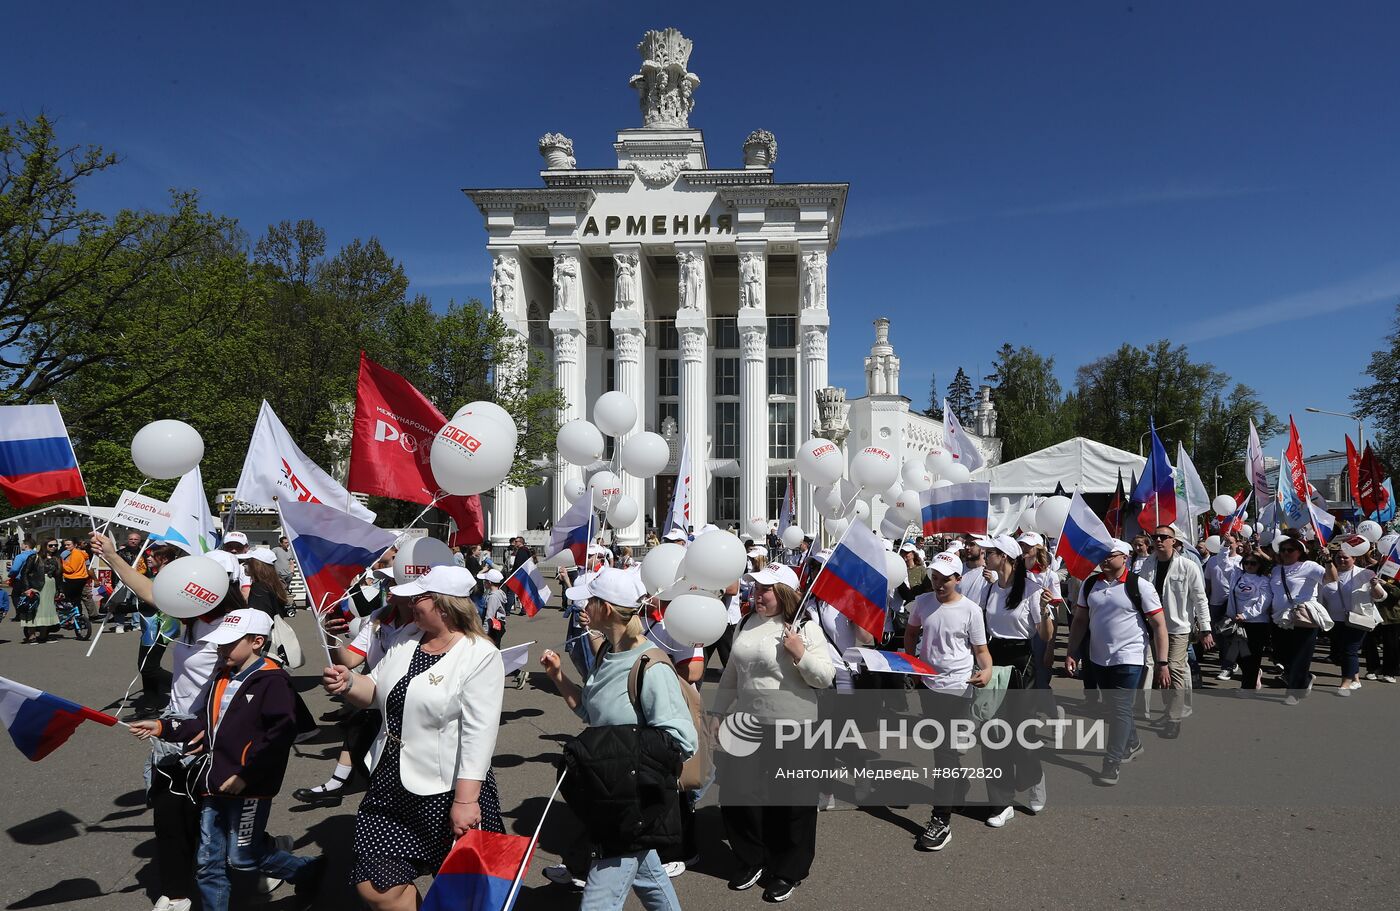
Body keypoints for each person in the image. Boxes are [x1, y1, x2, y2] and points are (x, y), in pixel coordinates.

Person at [322, 565, 506, 911]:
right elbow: (376, 690)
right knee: (377, 885)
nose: (405, 601)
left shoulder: (480, 654)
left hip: (447, 789)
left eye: (417, 597)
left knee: (466, 895)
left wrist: (466, 802)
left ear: (443, 605)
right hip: (389, 781)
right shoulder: (406, 636)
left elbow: (479, 733)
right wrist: (348, 683)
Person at [93, 530, 250, 911]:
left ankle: (263, 859)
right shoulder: (189, 617)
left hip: (211, 734)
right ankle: (176, 892)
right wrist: (112, 555)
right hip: (174, 730)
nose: (185, 588)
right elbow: (149, 591)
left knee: (216, 823)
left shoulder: (238, 629)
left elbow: (248, 690)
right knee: (168, 814)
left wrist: (215, 733)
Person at [129, 610, 324, 911]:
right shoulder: (221, 675)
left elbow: (280, 735)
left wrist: (247, 774)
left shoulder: (273, 681)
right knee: (208, 862)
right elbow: (206, 723)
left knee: (243, 856)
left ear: (257, 642)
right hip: (212, 781)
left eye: (228, 644)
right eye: (219, 644)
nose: (221, 650)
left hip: (249, 787)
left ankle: (305, 871)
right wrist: (164, 727)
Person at [539, 568, 696, 911]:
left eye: (588, 602)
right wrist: (558, 677)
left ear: (605, 609)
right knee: (650, 877)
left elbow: (682, 739)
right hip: (609, 795)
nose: (582, 609)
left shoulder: (650, 665)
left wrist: (615, 753)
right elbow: (591, 713)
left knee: (597, 902)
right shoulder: (605, 653)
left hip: (629, 801)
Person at [713, 564, 832, 901]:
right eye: (755, 588)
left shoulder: (805, 628)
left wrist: (800, 653)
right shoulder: (745, 624)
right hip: (748, 722)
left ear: (783, 594)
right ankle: (752, 859)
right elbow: (732, 674)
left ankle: (788, 870)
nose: (756, 594)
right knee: (738, 794)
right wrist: (717, 713)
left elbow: (824, 677)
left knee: (793, 802)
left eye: (765, 590)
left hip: (795, 725)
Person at [904, 551, 992, 851]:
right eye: (935, 578)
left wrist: (987, 670)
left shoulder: (970, 610)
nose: (939, 584)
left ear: (958, 579)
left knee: (942, 752)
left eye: (945, 579)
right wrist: (912, 665)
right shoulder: (924, 603)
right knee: (941, 747)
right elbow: (911, 632)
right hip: (928, 684)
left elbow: (980, 651)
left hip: (959, 686)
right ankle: (959, 784)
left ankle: (941, 820)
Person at [1066, 539, 1170, 786]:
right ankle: (1132, 742)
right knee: (1114, 706)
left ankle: (1111, 763)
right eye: (1101, 554)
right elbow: (1080, 620)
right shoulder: (1091, 584)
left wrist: (1162, 662)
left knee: (1120, 708)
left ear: (1125, 557)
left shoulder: (1139, 586)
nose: (1104, 559)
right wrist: (1072, 651)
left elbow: (1159, 626)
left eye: (1110, 554)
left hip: (1130, 656)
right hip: (1099, 657)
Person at [979, 533, 1051, 818]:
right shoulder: (989, 589)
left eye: (991, 552)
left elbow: (1044, 635)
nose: (986, 556)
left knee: (1022, 733)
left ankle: (1034, 779)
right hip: (995, 659)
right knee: (993, 732)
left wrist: (1046, 612)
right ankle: (1001, 802)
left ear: (1005, 557)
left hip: (1023, 663)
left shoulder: (1032, 590)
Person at [1137, 525, 1213, 737]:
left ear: (1175, 542)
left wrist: (1205, 628)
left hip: (1178, 627)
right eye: (1155, 536)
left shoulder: (1187, 566)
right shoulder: (1147, 565)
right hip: (1153, 625)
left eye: (1164, 537)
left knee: (1175, 668)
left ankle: (1174, 718)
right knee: (1162, 671)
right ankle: (1170, 709)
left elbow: (1200, 599)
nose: (1159, 540)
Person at [1268, 533, 1328, 703]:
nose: (1286, 553)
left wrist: (1328, 560)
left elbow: (1330, 578)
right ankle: (1305, 678)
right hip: (1280, 618)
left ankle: (1293, 692)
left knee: (1300, 654)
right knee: (1282, 655)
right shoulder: (1276, 569)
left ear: (1299, 552)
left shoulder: (1310, 566)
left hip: (1303, 616)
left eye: (1290, 550)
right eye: (1283, 550)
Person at [1321, 545, 1386, 696]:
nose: (1342, 560)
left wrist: (1375, 584)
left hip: (1358, 618)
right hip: (1335, 620)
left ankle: (1346, 683)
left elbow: (1381, 597)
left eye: (1345, 557)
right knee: (1343, 650)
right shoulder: (1328, 573)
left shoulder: (1365, 573)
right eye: (1339, 557)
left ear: (1354, 558)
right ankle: (1356, 679)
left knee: (1349, 650)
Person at [1225, 551, 1275, 691]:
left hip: (1257, 624)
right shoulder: (1238, 576)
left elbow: (1264, 602)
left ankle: (1248, 687)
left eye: (1253, 563)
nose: (1249, 565)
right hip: (1236, 622)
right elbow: (1223, 563)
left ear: (1259, 565)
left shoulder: (1264, 581)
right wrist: (1226, 546)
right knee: (1237, 655)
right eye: (1246, 562)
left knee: (1252, 657)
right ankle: (1254, 674)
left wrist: (1246, 615)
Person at [1203, 534, 1242, 679]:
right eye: (1225, 542)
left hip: (1232, 604)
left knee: (1228, 635)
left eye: (1230, 542)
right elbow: (1207, 582)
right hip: (1215, 602)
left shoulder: (1241, 561)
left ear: (1237, 544)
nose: (1228, 544)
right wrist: (1205, 599)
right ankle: (1230, 661)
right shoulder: (1213, 561)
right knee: (1217, 635)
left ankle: (1227, 665)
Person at [18, 538, 62, 643]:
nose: (53, 547)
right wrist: (27, 588)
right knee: (34, 609)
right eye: (50, 545)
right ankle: (32, 636)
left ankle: (43, 635)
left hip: (50, 586)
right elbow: (25, 573)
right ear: (44, 545)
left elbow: (59, 576)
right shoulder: (34, 557)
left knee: (47, 610)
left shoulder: (56, 558)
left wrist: (60, 590)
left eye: (55, 545)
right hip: (36, 586)